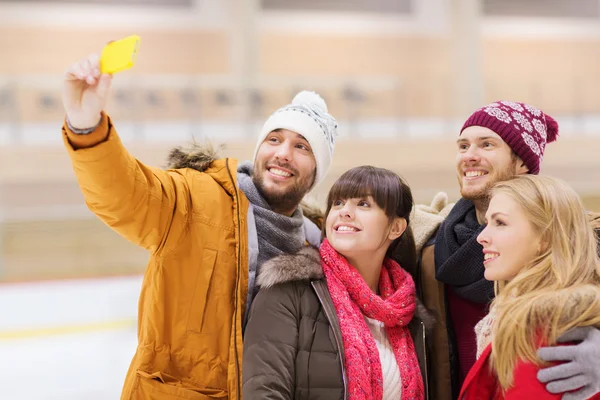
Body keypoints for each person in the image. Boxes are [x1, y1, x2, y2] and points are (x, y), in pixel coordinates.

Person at [61, 54, 338, 399]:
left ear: (316, 172)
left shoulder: (317, 250)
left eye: (302, 147)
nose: (283, 153)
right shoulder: (194, 198)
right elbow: (123, 194)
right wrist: (86, 126)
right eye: (274, 139)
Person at [414, 101, 600, 399]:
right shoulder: (430, 243)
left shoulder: (581, 238)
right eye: (463, 146)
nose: (470, 156)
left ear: (523, 162)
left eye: (487, 144)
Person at [243, 166, 432, 400]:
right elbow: (264, 392)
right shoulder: (287, 292)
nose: (345, 212)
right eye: (338, 203)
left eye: (363, 204)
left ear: (395, 227)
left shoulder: (410, 315)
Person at [459, 175, 600, 399]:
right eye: (487, 223)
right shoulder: (518, 315)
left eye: (500, 223)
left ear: (545, 237)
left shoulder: (542, 324)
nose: (481, 237)